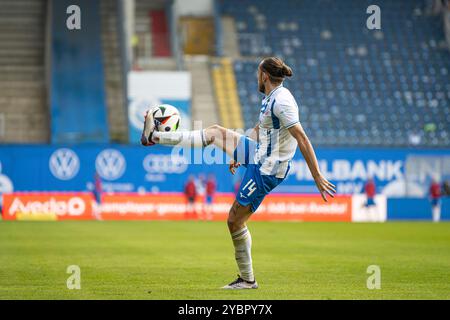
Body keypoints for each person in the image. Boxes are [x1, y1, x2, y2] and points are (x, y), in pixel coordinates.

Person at [141, 56, 336, 289]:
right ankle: (154, 137)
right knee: (215, 133)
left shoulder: (282, 101)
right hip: (258, 154)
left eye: (257, 72)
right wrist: (238, 154)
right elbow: (261, 128)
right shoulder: (270, 99)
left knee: (234, 221)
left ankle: (247, 280)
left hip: (267, 170)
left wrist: (316, 176)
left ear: (264, 75)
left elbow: (301, 137)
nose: (256, 76)